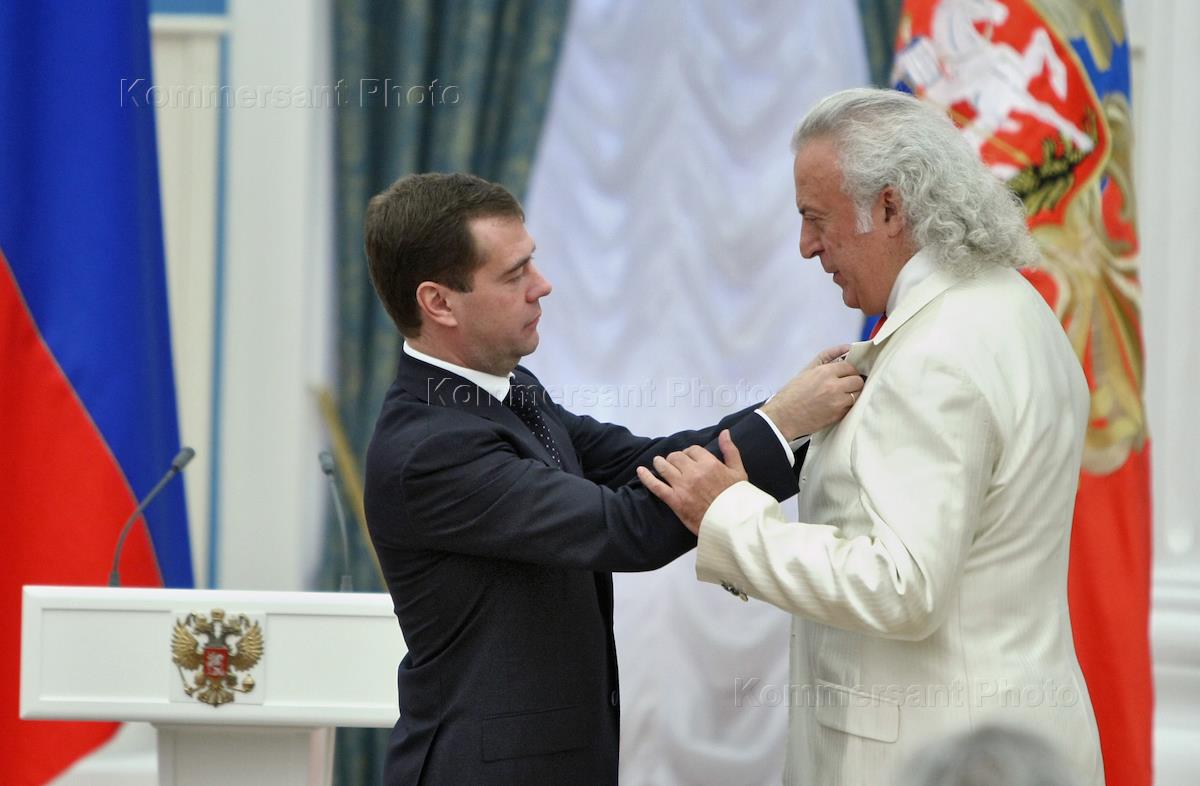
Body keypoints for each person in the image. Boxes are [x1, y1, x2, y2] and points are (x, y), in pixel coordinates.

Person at [637, 88, 1104, 785]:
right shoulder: (1015, 307)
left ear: (889, 208)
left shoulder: (935, 352)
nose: (806, 247)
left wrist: (729, 517)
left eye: (815, 218)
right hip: (1015, 743)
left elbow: (902, 586)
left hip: (936, 756)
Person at [361, 172, 862, 785]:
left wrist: (797, 424)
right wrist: (780, 422)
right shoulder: (430, 447)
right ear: (439, 303)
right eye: (514, 275)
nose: (542, 285)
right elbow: (625, 528)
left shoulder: (507, 389)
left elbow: (647, 462)